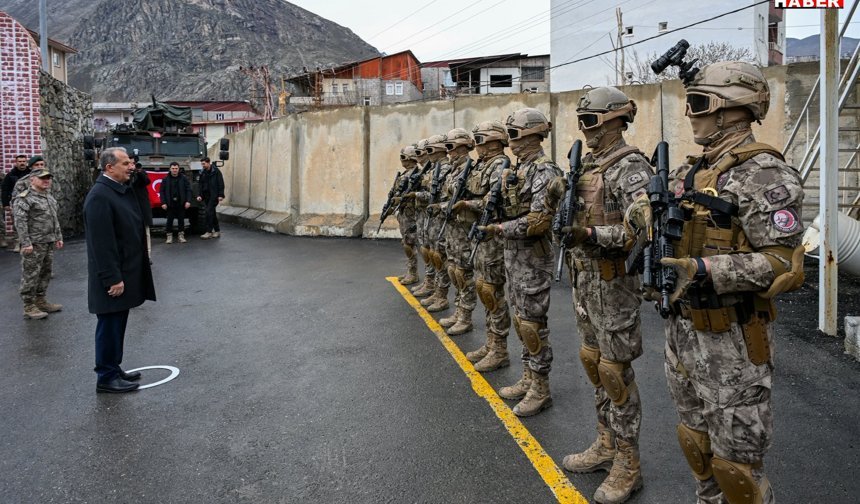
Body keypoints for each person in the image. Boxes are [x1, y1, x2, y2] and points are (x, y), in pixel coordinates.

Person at [642, 61, 804, 503]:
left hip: (732, 342)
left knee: (738, 468)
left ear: (731, 109)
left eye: (698, 103)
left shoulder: (766, 175)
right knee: (696, 443)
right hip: (683, 332)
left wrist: (705, 271)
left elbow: (782, 263)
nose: (690, 114)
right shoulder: (691, 172)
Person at [558, 87, 652, 504]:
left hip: (613, 284)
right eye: (582, 121)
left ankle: (628, 463)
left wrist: (592, 233)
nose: (585, 129)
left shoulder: (630, 167)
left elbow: (641, 231)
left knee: (616, 374)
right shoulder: (587, 166)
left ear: (615, 120)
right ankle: (606, 443)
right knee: (594, 364)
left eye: (591, 120)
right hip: (585, 281)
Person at [477, 108, 563, 417]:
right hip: (514, 257)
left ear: (529, 135)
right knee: (521, 319)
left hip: (532, 257)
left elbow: (538, 221)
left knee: (533, 324)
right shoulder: (517, 169)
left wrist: (500, 229)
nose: (509, 140)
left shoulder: (545, 171)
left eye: (512, 134)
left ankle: (541, 388)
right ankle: (528, 377)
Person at [84, 147, 156, 394]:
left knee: (117, 324)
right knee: (109, 326)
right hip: (112, 278)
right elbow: (101, 245)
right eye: (125, 163)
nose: (131, 166)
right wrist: (112, 278)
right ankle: (105, 376)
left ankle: (114, 368)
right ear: (109, 167)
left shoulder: (117, 191)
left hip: (124, 272)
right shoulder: (100, 197)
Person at [453, 120, 512, 371]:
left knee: (493, 293)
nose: (476, 147)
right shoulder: (481, 166)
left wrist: (468, 205)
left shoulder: (499, 164)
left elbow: (492, 199)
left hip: (492, 237)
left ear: (494, 142)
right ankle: (491, 343)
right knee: (485, 291)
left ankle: (499, 349)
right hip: (480, 234)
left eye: (480, 141)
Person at [438, 128, 477, 335]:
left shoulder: (470, 168)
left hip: (463, 229)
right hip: (452, 227)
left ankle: (466, 316)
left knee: (463, 273)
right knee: (453, 270)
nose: (448, 152)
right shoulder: (454, 169)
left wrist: (462, 205)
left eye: (451, 147)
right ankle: (458, 310)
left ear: (463, 147)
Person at [12, 168, 63, 319]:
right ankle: (28, 306)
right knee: (31, 274)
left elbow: (54, 219)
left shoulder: (48, 197)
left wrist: (58, 237)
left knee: (45, 273)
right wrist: (26, 243)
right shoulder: (24, 198)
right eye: (42, 178)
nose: (46, 180)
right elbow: (20, 223)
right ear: (32, 180)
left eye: (48, 178)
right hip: (33, 244)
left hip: (48, 241)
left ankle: (40, 300)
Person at [415, 134, 454, 313]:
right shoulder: (434, 169)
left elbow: (442, 195)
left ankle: (441, 295)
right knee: (432, 255)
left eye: (429, 150)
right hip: (431, 217)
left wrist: (416, 196)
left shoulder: (446, 168)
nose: (426, 155)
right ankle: (434, 288)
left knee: (440, 257)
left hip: (440, 219)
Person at [407, 140, 437, 299]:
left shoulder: (435, 170)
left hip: (429, 215)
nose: (418, 157)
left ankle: (433, 285)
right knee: (425, 249)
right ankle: (429, 281)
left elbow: (433, 195)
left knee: (433, 252)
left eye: (420, 153)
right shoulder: (423, 171)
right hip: (422, 214)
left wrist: (415, 194)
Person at [392, 145, 421, 285]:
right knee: (406, 242)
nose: (401, 160)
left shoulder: (416, 174)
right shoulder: (405, 174)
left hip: (411, 213)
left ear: (411, 158)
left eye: (403, 157)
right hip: (404, 213)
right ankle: (411, 271)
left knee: (411, 243)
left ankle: (413, 273)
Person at [2, 155, 33, 252]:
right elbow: (5, 190)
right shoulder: (11, 175)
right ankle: (17, 243)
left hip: (30, 201)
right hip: (16, 202)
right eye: (20, 161)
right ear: (16, 163)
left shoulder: (31, 173)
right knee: (17, 223)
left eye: (24, 161)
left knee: (31, 222)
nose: (22, 163)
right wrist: (5, 204)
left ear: (26, 162)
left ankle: (29, 243)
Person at [159, 162, 192, 244]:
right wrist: (163, 203)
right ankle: (169, 236)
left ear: (178, 169)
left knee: (181, 220)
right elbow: (162, 191)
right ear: (170, 169)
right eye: (173, 168)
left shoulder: (184, 178)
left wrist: (188, 201)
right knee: (169, 220)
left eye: (176, 168)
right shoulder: (165, 179)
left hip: (181, 203)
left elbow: (188, 190)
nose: (174, 170)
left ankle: (181, 236)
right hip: (170, 204)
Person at [129, 158, 153, 259]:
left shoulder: (141, 173)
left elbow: (146, 181)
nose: (131, 165)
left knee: (145, 233)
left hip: (142, 208)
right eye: (129, 163)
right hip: (129, 208)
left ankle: (147, 256)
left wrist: (138, 172)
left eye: (133, 163)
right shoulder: (124, 174)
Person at [197, 157, 225, 239]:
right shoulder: (202, 172)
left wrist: (221, 195)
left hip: (214, 195)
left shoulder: (216, 171)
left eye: (204, 164)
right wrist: (200, 195)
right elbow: (200, 185)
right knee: (211, 212)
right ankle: (217, 231)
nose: (203, 165)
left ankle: (209, 231)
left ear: (208, 163)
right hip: (206, 196)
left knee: (208, 212)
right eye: (202, 164)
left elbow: (221, 183)